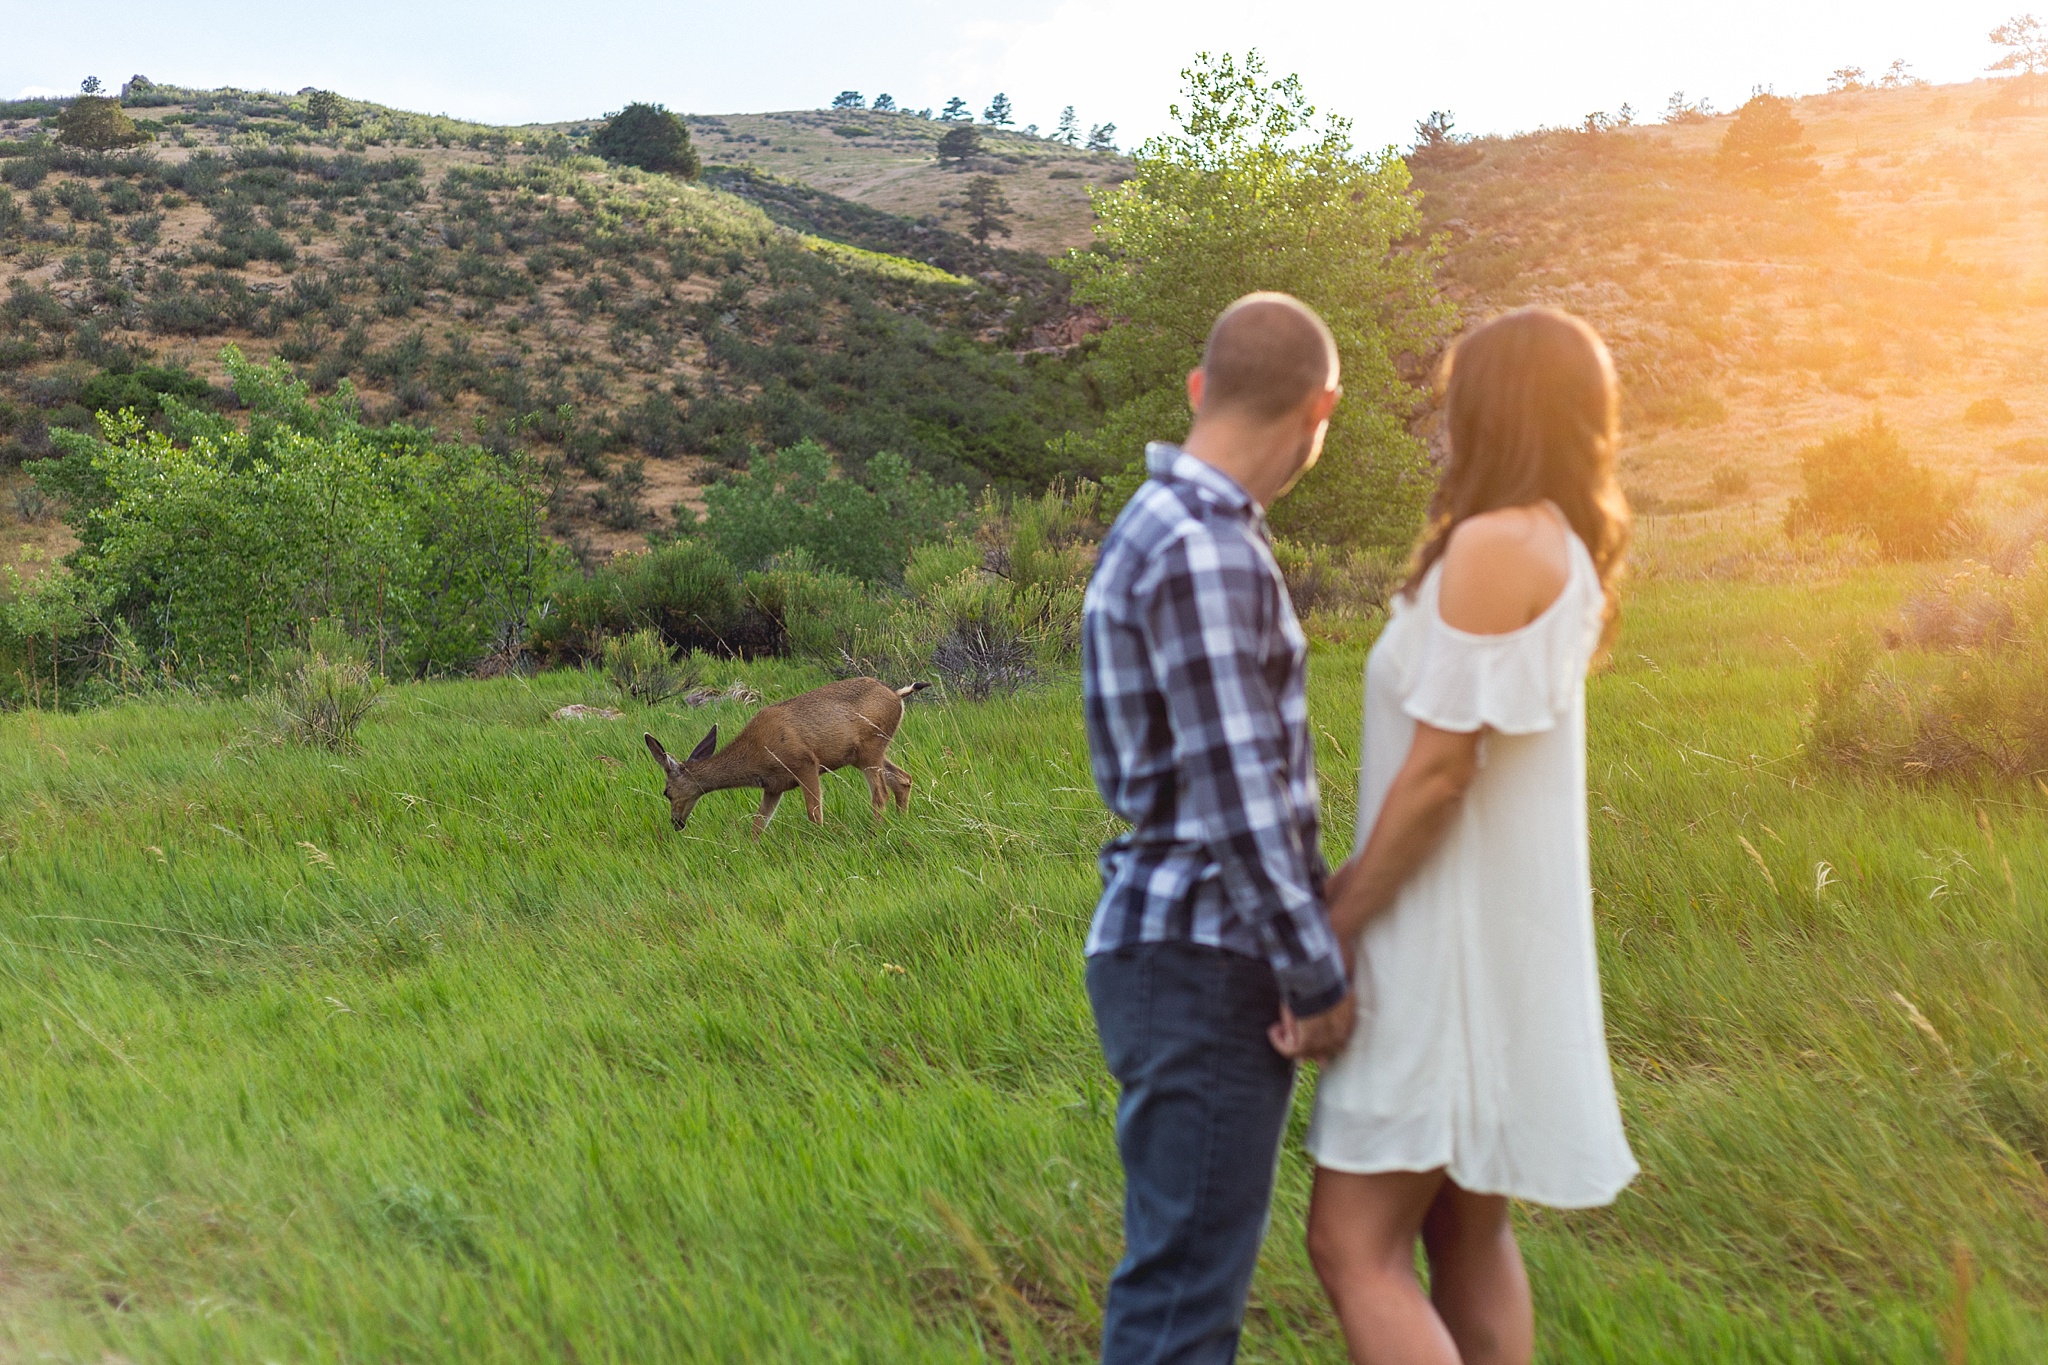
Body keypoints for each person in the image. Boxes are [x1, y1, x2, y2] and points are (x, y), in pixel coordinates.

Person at [1273, 307, 1638, 1365]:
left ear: (1491, 408)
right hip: (1495, 936)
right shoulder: (1558, 543)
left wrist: (1336, 920)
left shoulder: (1493, 542)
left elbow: (1439, 772)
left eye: (1452, 396)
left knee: (1350, 1244)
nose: (1437, 418)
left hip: (1440, 945)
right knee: (1465, 1230)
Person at [1080, 291, 1356, 1365]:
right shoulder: (1206, 546)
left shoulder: (1155, 524)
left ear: (1198, 389)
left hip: (1167, 946)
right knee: (1183, 1307)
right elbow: (1235, 795)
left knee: (1175, 1282)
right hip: (1203, 954)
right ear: (1318, 410)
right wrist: (1314, 975)